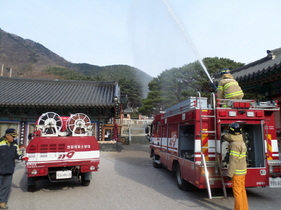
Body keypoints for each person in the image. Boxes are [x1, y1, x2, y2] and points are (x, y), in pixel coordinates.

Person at [223, 123, 248, 210]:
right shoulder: (241, 142)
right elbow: (229, 137)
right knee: (242, 191)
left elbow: (233, 161)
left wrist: (229, 174)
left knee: (237, 193)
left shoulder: (234, 144)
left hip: (236, 172)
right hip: (242, 171)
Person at [0, 128, 24, 209]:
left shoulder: (15, 144)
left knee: (6, 187)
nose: (14, 138)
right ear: (7, 136)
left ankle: (2, 202)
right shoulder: (0, 143)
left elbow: (18, 154)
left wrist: (23, 157)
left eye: (14, 137)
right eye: (12, 136)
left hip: (9, 170)